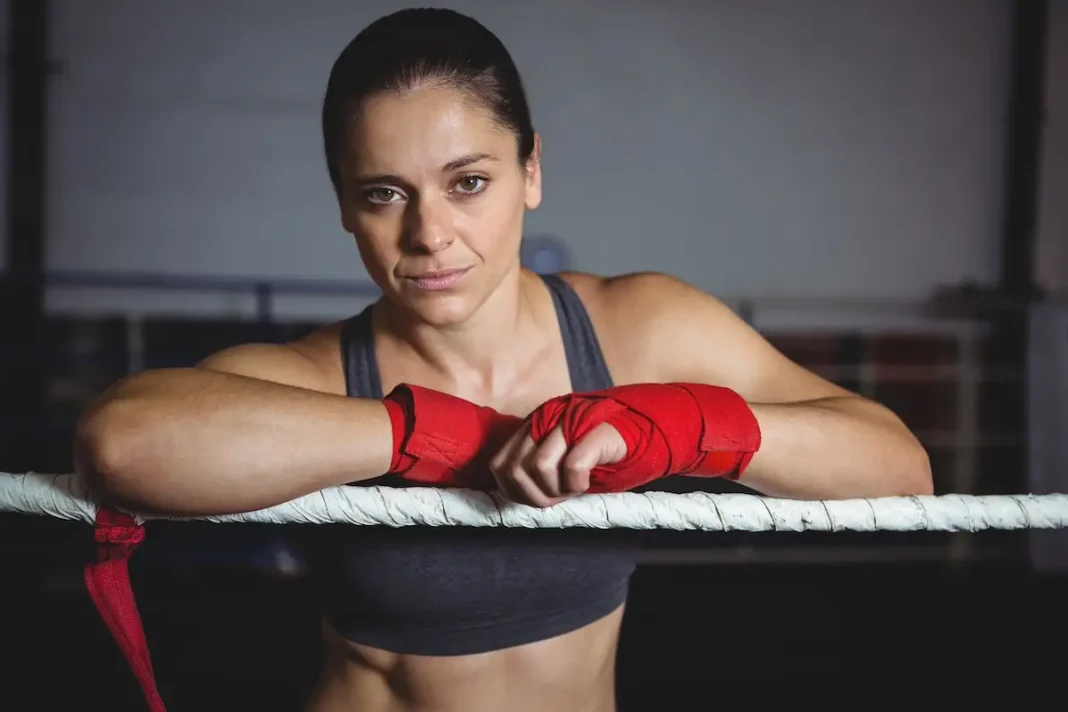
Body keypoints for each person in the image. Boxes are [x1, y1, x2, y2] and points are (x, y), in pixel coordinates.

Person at [74, 8, 933, 712]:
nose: (430, 234)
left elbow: (900, 470)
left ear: (531, 171)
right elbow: (123, 444)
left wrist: (677, 426)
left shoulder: (635, 331)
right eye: (384, 194)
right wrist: (446, 438)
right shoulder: (323, 374)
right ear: (344, 205)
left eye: (468, 182)